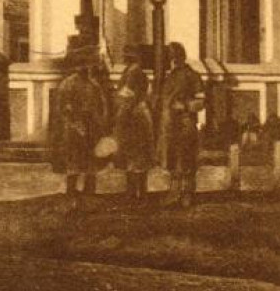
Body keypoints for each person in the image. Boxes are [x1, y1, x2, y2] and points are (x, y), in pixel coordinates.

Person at [50, 44, 107, 200]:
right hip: (74, 129)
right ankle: (71, 193)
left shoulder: (94, 85)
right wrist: (75, 124)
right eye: (84, 64)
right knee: (74, 162)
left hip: (91, 130)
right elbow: (65, 108)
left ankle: (90, 193)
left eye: (89, 64)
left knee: (91, 164)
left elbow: (101, 107)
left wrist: (99, 126)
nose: (87, 68)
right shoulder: (68, 84)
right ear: (78, 66)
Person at [155, 41, 205, 206]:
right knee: (172, 160)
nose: (169, 59)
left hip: (185, 124)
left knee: (186, 160)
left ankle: (187, 194)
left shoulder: (192, 76)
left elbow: (201, 101)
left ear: (177, 57)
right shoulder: (170, 76)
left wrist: (184, 106)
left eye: (171, 55)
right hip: (170, 125)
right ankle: (174, 193)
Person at [115, 44, 154, 201]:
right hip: (138, 115)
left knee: (135, 155)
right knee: (136, 156)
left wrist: (121, 111)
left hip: (134, 116)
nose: (124, 57)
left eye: (126, 55)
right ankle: (137, 192)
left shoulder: (133, 72)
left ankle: (136, 193)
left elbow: (128, 95)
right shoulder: (134, 71)